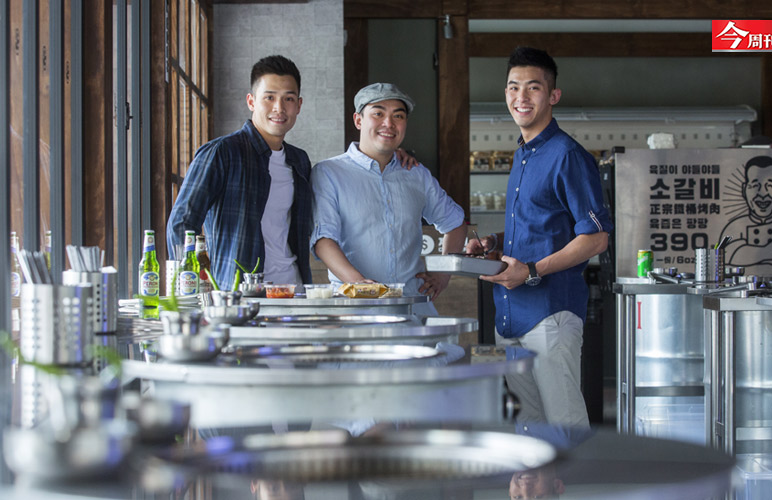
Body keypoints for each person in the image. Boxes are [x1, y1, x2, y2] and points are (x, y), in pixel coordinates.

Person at [466, 47, 613, 427]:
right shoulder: (523, 154)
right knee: (524, 427)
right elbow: (539, 225)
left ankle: (573, 489)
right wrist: (496, 243)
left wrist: (530, 270)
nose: (521, 97)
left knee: (563, 425)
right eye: (514, 87)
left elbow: (596, 239)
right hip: (509, 316)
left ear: (553, 96)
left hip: (550, 314)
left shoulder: (567, 154)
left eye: (533, 88)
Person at [311, 83, 467, 315]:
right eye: (378, 113)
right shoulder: (329, 173)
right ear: (358, 120)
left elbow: (455, 223)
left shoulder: (416, 174)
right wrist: (360, 285)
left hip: (412, 310)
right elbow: (323, 239)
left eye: (398, 116)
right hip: (354, 311)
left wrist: (443, 275)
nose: (389, 123)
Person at [167, 55, 312, 291]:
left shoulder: (300, 161)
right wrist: (196, 287)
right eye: (269, 97)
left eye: (289, 98)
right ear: (251, 101)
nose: (279, 108)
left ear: (299, 105)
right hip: (240, 296)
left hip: (293, 291)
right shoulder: (222, 153)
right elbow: (182, 223)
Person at [719, 155, 772, 267]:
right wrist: (763, 252)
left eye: (770, 185)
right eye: (755, 185)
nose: (762, 193)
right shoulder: (733, 227)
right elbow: (723, 255)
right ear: (744, 190)